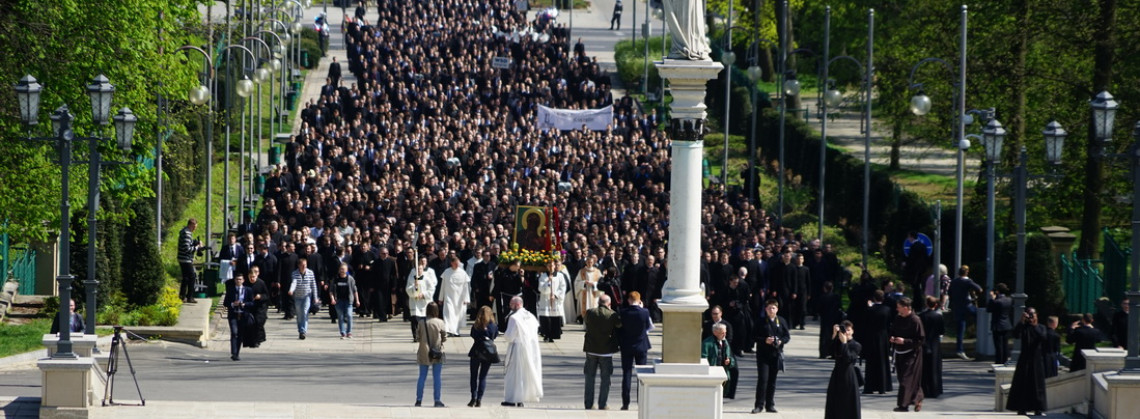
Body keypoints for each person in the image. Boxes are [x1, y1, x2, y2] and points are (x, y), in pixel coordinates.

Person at [1006, 307, 1047, 416]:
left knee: (1037, 384)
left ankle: (1038, 408)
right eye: (1029, 314)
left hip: (1037, 359)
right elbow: (1015, 334)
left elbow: (1043, 337)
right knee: (1022, 383)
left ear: (1036, 315)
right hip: (1024, 358)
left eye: (1033, 314)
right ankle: (1021, 407)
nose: (1031, 317)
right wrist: (1021, 321)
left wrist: (1034, 325)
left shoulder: (1041, 327)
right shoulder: (1024, 327)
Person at [503, 296, 543, 407]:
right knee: (524, 374)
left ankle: (511, 399)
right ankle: (521, 399)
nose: (510, 306)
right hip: (531, 348)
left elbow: (510, 336)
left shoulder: (514, 318)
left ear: (516, 305)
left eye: (511, 304)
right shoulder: (531, 316)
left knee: (513, 374)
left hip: (517, 348)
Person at [583, 294, 620, 410]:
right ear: (609, 303)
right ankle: (602, 404)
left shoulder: (590, 312)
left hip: (591, 349)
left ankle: (588, 404)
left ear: (598, 302)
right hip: (606, 351)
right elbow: (618, 325)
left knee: (589, 378)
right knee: (605, 379)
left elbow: (586, 323)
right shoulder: (612, 314)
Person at [753, 299, 790, 414]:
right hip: (763, 355)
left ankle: (770, 404)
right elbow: (754, 336)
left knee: (772, 381)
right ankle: (759, 405)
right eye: (769, 308)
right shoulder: (760, 321)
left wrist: (780, 341)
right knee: (763, 379)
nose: (771, 310)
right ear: (766, 309)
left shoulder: (782, 321)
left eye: (773, 308)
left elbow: (787, 336)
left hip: (776, 354)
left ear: (777, 309)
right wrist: (765, 340)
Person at [889, 297, 925, 412]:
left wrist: (905, 341)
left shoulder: (915, 320)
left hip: (912, 353)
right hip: (899, 351)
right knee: (902, 378)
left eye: (898, 307)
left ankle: (903, 405)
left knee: (906, 379)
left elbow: (920, 340)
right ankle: (918, 397)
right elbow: (893, 331)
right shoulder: (898, 318)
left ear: (905, 308)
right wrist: (893, 338)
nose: (897, 309)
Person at [619, 291, 653, 408]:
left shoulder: (623, 312)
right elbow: (649, 326)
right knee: (641, 375)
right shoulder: (644, 312)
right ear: (639, 300)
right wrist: (641, 308)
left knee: (626, 374)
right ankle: (641, 402)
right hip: (641, 346)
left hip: (627, 345)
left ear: (628, 300)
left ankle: (625, 403)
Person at [824, 320, 861, 419]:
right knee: (834, 400)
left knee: (848, 401)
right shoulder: (838, 342)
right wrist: (834, 335)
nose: (847, 333)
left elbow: (848, 358)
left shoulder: (856, 345)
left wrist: (844, 343)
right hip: (837, 374)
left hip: (848, 375)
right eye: (845, 330)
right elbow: (828, 351)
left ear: (852, 331)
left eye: (849, 330)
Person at [415, 302, 447, 407]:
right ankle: (437, 400)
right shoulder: (440, 322)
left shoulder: (421, 322)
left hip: (424, 351)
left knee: (422, 376)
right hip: (437, 351)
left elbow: (418, 337)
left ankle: (419, 400)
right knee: (437, 377)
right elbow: (444, 337)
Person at [862, 290, 893, 395]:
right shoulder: (887, 309)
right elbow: (889, 324)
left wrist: (869, 307)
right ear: (883, 298)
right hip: (883, 337)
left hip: (871, 337)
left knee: (871, 362)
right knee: (883, 362)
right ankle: (882, 386)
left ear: (874, 298)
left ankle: (870, 386)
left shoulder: (870, 310)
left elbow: (865, 324)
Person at [948, 265, 982, 360]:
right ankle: (980, 340)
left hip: (957, 307)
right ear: (966, 272)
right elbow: (979, 289)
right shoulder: (967, 281)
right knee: (981, 317)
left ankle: (960, 350)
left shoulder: (954, 282)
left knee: (960, 330)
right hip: (967, 305)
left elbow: (950, 293)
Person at [467, 306, 499, 408]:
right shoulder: (493, 326)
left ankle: (473, 397)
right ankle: (479, 399)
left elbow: (472, 335)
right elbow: (495, 336)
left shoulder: (476, 325)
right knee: (483, 377)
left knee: (473, 376)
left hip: (476, 351)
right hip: (488, 352)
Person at [703, 323, 738, 401]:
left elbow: (730, 357)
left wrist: (729, 361)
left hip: (723, 372)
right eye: (722, 333)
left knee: (720, 396)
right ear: (715, 333)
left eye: (725, 332)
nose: (725, 335)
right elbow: (703, 358)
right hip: (712, 373)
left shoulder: (725, 342)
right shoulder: (707, 343)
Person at [407, 256, 439, 342]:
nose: (419, 271)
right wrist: (414, 287)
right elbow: (408, 289)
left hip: (424, 302)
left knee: (424, 321)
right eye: (417, 269)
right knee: (415, 320)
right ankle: (415, 336)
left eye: (420, 269)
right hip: (415, 302)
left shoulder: (427, 278)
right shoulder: (411, 277)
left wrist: (423, 294)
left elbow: (432, 289)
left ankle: (424, 336)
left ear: (422, 269)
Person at [918, 296, 944, 398]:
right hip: (935, 344)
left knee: (924, 368)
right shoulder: (938, 316)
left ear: (926, 304)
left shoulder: (921, 316)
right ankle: (935, 389)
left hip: (924, 343)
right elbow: (942, 331)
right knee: (935, 367)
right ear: (936, 305)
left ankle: (925, 389)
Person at [224, 273, 254, 361]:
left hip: (243, 314)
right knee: (234, 332)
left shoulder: (248, 290)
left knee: (240, 334)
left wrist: (244, 304)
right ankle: (233, 352)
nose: (238, 281)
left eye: (240, 279)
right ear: (234, 280)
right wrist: (233, 304)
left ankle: (236, 353)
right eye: (237, 279)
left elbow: (252, 303)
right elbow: (225, 303)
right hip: (233, 314)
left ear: (243, 280)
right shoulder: (230, 290)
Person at [288, 258, 319, 340]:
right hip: (297, 297)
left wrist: (315, 297)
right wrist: (291, 290)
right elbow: (294, 282)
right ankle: (300, 329)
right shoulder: (294, 273)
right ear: (299, 265)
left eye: (305, 265)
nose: (304, 266)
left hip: (307, 296)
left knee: (305, 312)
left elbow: (314, 286)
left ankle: (303, 331)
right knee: (299, 314)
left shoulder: (310, 273)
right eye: (302, 265)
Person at [439, 256, 471, 337]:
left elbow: (465, 287)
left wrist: (466, 298)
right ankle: (448, 330)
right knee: (449, 313)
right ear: (451, 263)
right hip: (449, 297)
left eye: (458, 264)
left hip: (459, 298)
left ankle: (456, 331)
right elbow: (443, 286)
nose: (457, 265)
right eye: (455, 264)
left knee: (457, 315)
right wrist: (441, 298)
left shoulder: (463, 273)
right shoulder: (446, 272)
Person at [537, 260, 568, 342]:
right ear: (546, 267)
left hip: (555, 300)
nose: (551, 267)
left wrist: (556, 295)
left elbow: (563, 287)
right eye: (549, 266)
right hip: (546, 299)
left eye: (552, 265)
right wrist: (548, 282)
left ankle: (553, 335)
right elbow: (541, 288)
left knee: (554, 318)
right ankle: (546, 334)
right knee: (546, 318)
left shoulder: (560, 276)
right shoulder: (543, 276)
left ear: (555, 266)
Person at [329, 264, 360, 339]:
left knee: (349, 315)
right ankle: (343, 333)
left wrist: (357, 300)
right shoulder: (335, 279)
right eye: (341, 269)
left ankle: (349, 332)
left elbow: (355, 290)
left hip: (348, 300)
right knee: (340, 317)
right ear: (339, 270)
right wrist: (332, 299)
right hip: (338, 301)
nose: (342, 270)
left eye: (344, 269)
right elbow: (331, 291)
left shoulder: (350, 279)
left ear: (347, 270)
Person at [816, 281, 844, 359]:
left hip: (825, 318)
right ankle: (833, 352)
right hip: (834, 318)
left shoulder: (822, 297)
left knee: (824, 336)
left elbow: (818, 308)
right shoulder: (836, 297)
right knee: (834, 335)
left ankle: (823, 353)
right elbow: (840, 306)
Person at [987, 283, 1014, 365]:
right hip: (1006, 325)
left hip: (997, 325)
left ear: (997, 291)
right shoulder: (1009, 300)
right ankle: (1005, 361)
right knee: (1005, 345)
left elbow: (988, 309)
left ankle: (998, 363)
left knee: (998, 346)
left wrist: (991, 299)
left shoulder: (997, 302)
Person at [177, 218, 202, 303]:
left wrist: (194, 242)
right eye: (194, 227)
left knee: (186, 278)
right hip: (185, 259)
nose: (195, 228)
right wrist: (196, 247)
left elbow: (187, 244)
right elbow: (187, 249)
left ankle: (182, 296)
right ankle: (189, 297)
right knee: (192, 277)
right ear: (190, 225)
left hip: (182, 258)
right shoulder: (187, 233)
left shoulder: (185, 231)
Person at [245, 265, 270, 347]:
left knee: (258, 322)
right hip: (250, 306)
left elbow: (267, 296)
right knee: (251, 324)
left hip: (261, 307)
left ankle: (258, 340)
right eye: (250, 277)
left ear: (256, 275)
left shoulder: (261, 283)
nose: (252, 279)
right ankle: (256, 339)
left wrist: (260, 296)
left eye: (254, 277)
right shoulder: (245, 284)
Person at [575, 254, 602, 324]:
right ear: (586, 262)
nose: (589, 264)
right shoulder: (581, 271)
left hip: (594, 292)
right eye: (588, 262)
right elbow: (576, 282)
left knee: (594, 307)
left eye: (591, 262)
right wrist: (584, 282)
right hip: (585, 292)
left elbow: (601, 282)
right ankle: (585, 324)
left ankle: (594, 324)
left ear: (593, 262)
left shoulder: (597, 271)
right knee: (586, 308)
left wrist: (594, 284)